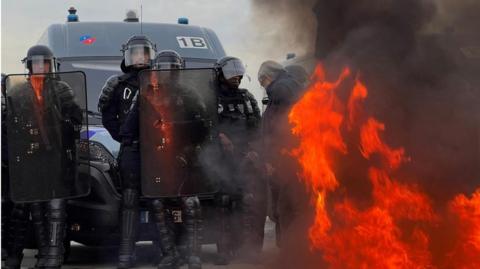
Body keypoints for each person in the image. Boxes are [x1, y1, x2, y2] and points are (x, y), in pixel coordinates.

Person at [97, 35, 177, 269]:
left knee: (158, 199)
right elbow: (107, 116)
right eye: (136, 53)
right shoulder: (117, 84)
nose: (141, 58)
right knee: (129, 200)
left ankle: (166, 252)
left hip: (158, 150)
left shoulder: (158, 81)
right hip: (131, 149)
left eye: (145, 53)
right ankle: (125, 254)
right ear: (127, 55)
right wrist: (123, 137)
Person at [4, 45, 83, 269]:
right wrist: (9, 157)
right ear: (29, 66)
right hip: (28, 161)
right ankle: (26, 255)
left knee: (55, 208)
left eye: (43, 63)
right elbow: (7, 127)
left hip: (55, 158)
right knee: (29, 208)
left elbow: (76, 119)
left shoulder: (62, 90)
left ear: (51, 65)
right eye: (36, 63)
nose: (40, 67)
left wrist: (63, 125)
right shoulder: (18, 92)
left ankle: (53, 256)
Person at [213, 56, 264, 264]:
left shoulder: (247, 99)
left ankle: (245, 249)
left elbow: (258, 129)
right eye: (230, 72)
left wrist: (254, 150)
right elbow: (203, 124)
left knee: (246, 204)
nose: (236, 76)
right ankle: (224, 250)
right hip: (220, 162)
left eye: (238, 72)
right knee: (223, 204)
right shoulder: (211, 98)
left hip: (244, 159)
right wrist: (219, 136)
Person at [258, 60, 308, 247]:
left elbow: (277, 130)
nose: (263, 86)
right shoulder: (290, 87)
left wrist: (272, 160)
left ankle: (289, 250)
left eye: (262, 82)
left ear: (267, 77)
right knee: (288, 207)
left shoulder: (280, 89)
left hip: (284, 162)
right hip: (292, 160)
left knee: (285, 208)